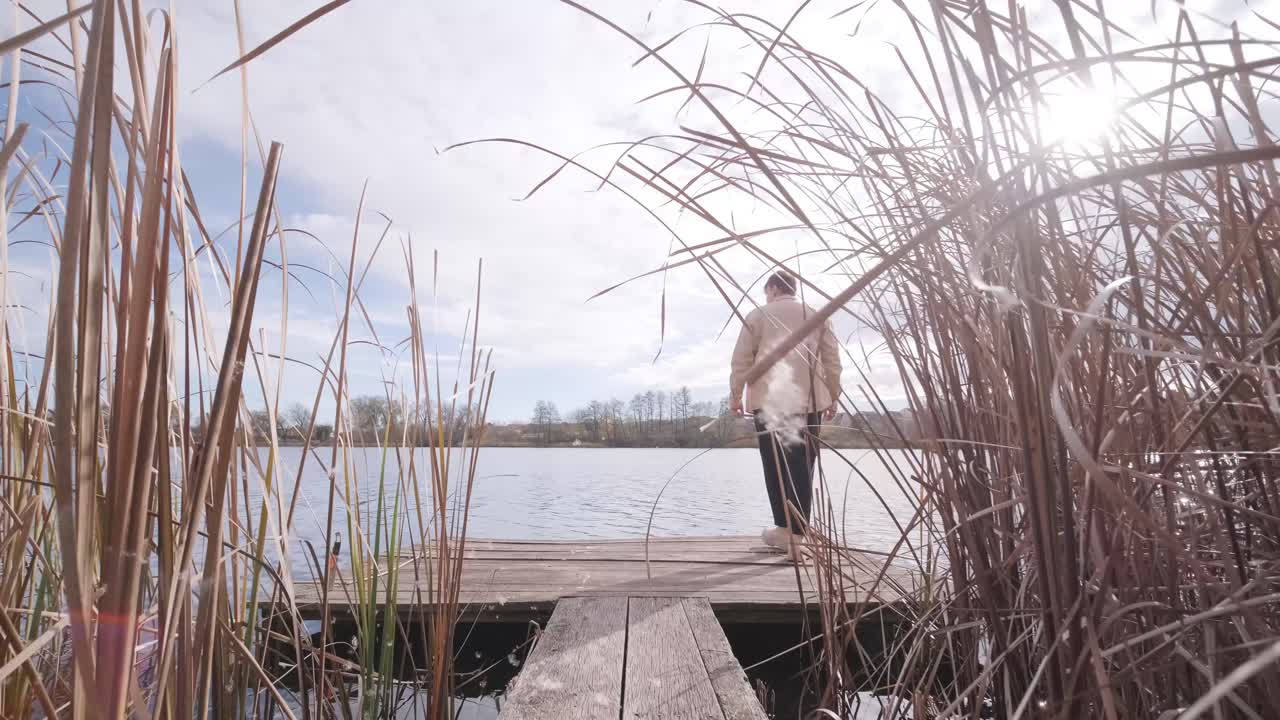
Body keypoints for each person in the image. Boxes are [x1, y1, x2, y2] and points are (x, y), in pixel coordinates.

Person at [729, 271, 841, 561]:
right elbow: (831, 359)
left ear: (774, 288)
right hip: (809, 401)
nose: (766, 296)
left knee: (775, 466)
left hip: (770, 403)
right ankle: (791, 533)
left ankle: (790, 533)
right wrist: (834, 393)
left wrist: (735, 394)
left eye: (767, 291)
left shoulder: (757, 315)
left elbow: (741, 359)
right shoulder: (818, 315)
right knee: (803, 465)